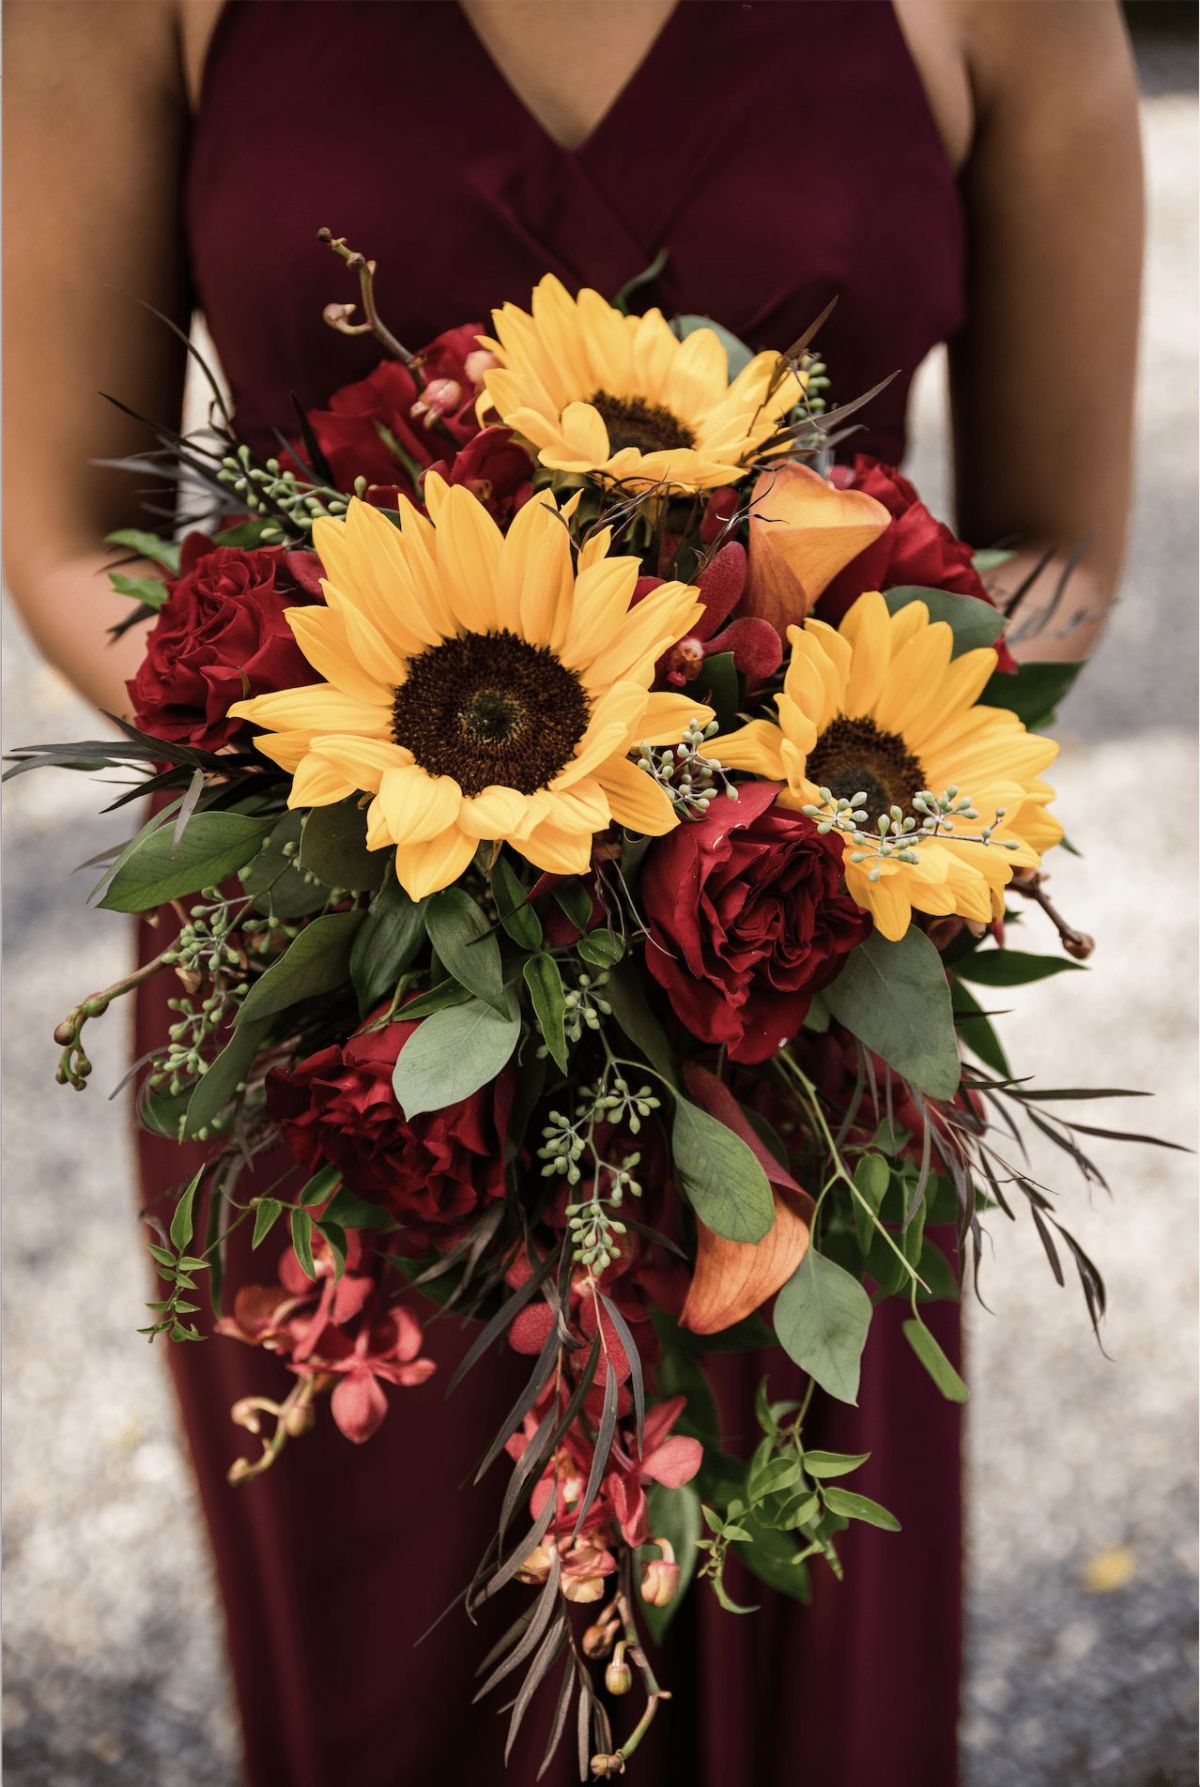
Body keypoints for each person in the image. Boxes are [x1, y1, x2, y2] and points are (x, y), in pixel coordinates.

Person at [4, 3, 1142, 1783]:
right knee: (389, 1675)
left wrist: (770, 771)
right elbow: (70, 531)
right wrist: (353, 768)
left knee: (793, 1623)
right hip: (337, 990)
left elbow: (1058, 550)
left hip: (796, 982)